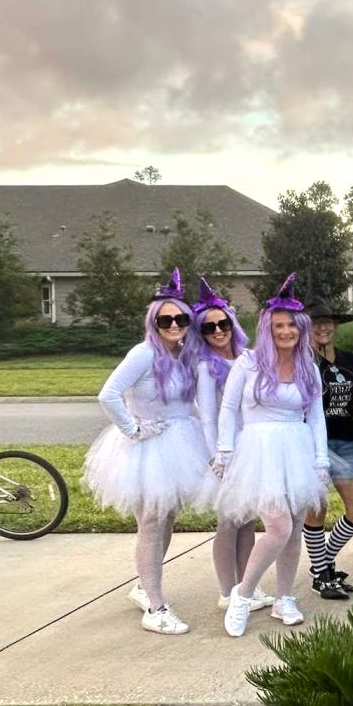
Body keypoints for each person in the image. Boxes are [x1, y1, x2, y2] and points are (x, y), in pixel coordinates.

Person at [84, 269, 214, 635]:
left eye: (180, 318)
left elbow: (194, 403)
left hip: (180, 441)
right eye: (165, 319)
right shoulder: (143, 354)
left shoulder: (185, 356)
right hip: (148, 447)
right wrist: (133, 429)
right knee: (152, 523)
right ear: (153, 322)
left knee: (167, 519)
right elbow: (107, 394)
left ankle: (144, 586)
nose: (174, 324)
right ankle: (156, 607)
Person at [215, 274, 329, 637]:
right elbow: (228, 407)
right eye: (279, 325)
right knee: (277, 526)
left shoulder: (308, 365)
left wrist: (321, 458)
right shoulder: (248, 363)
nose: (286, 331)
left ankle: (284, 598)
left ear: (301, 329)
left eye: (292, 326)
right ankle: (243, 594)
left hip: (297, 446)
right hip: (259, 448)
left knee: (294, 528)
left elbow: (316, 416)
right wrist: (225, 449)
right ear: (268, 328)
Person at [190, 277, 274, 614]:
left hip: (251, 446)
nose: (218, 331)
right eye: (210, 328)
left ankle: (245, 586)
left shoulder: (248, 358)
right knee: (228, 522)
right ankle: (228, 591)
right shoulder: (206, 367)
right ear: (201, 332)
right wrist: (217, 457)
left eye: (223, 323)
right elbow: (209, 417)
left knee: (246, 521)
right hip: (226, 452)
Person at [300, 298, 353, 601]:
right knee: (317, 509)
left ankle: (322, 565)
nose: (324, 327)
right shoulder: (299, 361)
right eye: (317, 323)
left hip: (343, 441)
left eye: (329, 322)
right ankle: (323, 575)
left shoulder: (350, 360)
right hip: (310, 443)